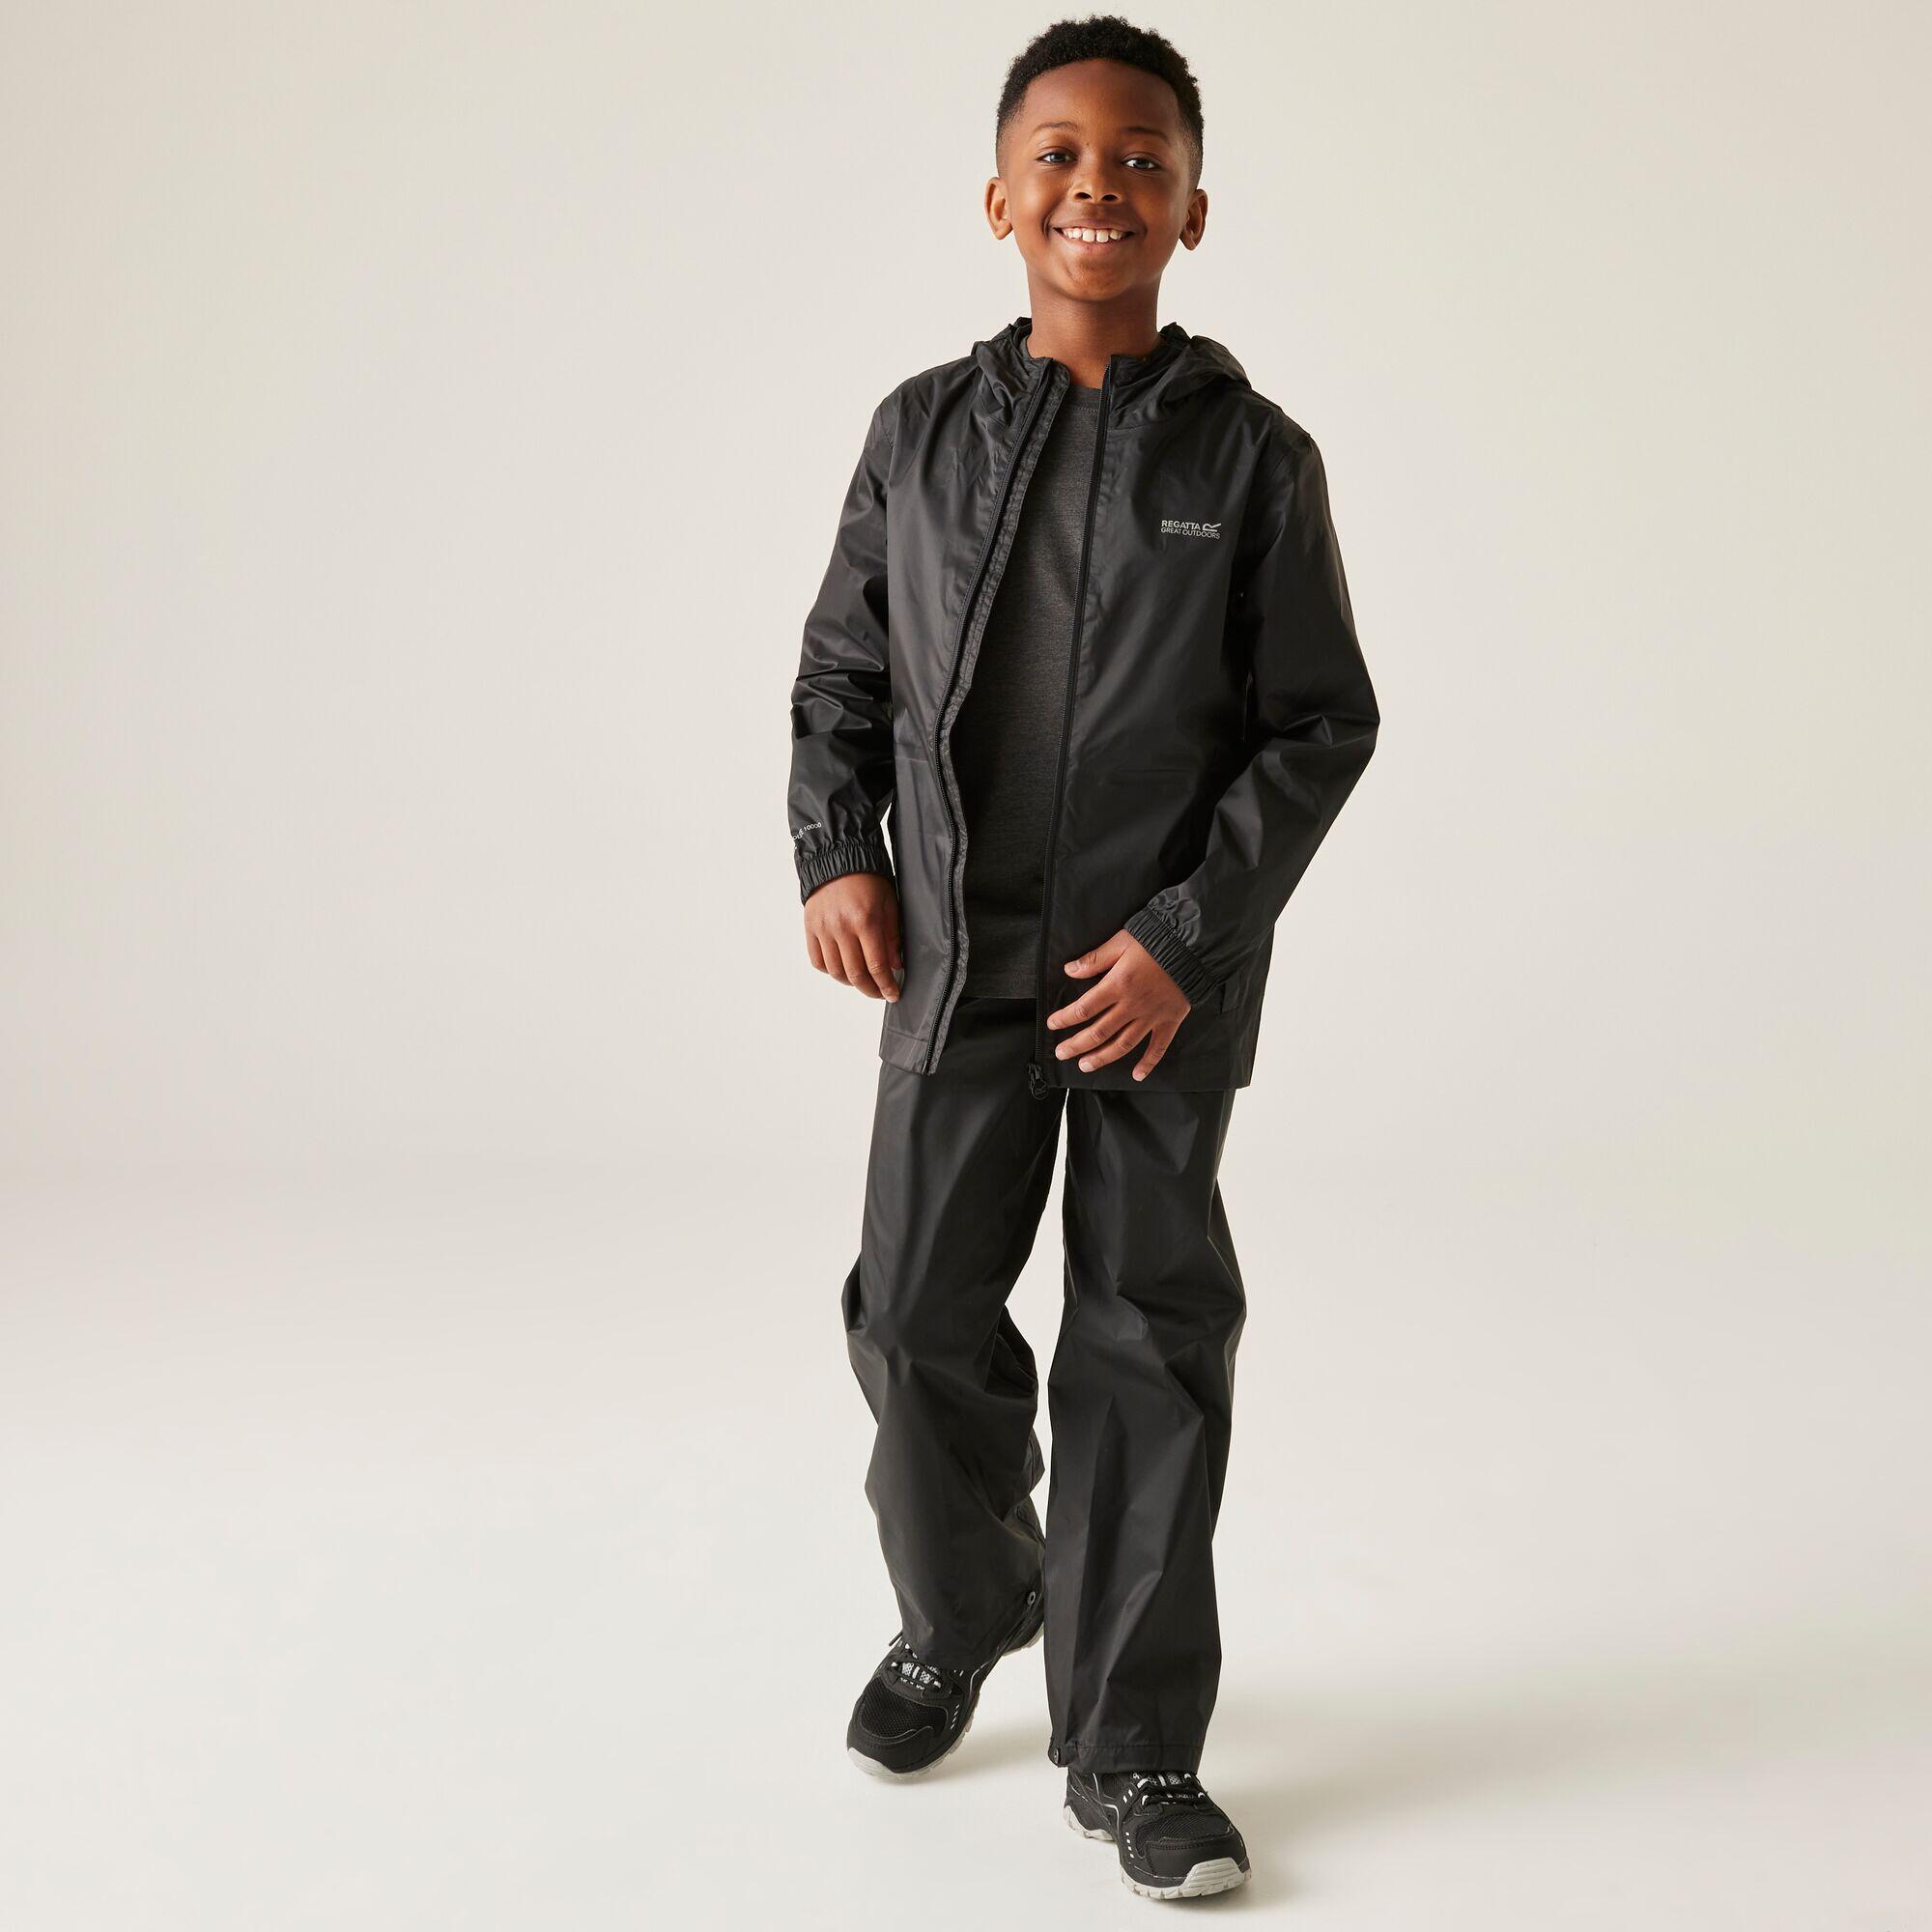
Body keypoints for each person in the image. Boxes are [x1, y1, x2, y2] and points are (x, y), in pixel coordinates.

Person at [784, 14, 1378, 1902]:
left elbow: (1321, 724)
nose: (1096, 185)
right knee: (911, 1322)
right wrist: (838, 856)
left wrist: (1188, 937)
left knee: (1144, 1346)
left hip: (1149, 990)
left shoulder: (1253, 459)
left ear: (1192, 209)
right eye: (1058, 154)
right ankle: (970, 1602)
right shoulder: (917, 435)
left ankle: (1134, 1752)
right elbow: (841, 679)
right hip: (956, 964)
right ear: (998, 198)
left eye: (1140, 159)